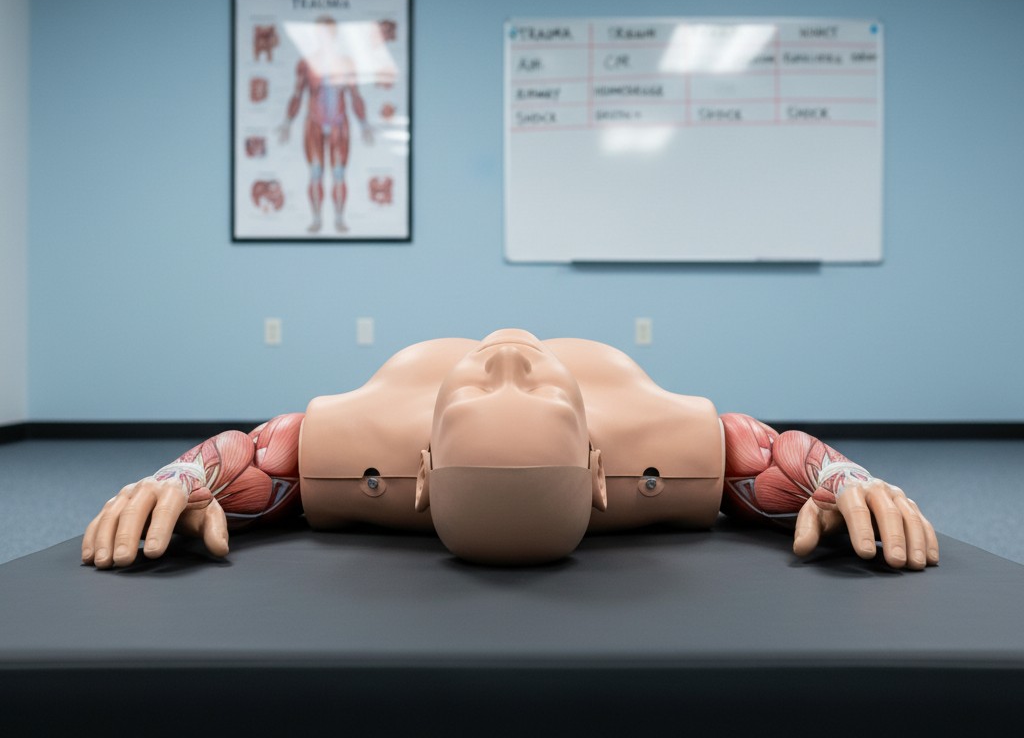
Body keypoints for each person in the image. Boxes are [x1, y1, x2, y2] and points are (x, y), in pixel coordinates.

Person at [82, 329, 939, 570]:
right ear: (599, 470)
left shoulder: (368, 433)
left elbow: (258, 458)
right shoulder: (654, 434)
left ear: (421, 472)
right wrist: (842, 477)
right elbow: (768, 459)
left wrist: (181, 477)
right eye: (538, 394)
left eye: (479, 392)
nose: (507, 360)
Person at [277, 15, 373, 234]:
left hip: (339, 124)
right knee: (316, 172)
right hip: (314, 123)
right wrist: (287, 121)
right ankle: (317, 219)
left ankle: (339, 218)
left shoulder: (346, 63)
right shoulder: (306, 63)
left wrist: (364, 123)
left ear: (334, 34)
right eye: (320, 33)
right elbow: (297, 94)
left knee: (338, 173)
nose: (324, 37)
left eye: (328, 33)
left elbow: (355, 95)